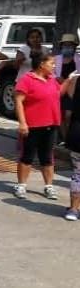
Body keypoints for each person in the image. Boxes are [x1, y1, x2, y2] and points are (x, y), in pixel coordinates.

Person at [14, 54, 60, 201]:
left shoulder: (52, 80)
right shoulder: (27, 79)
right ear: (41, 64)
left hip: (51, 124)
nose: (54, 66)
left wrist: (72, 80)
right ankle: (21, 185)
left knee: (47, 157)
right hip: (32, 125)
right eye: (52, 63)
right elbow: (18, 101)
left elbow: (59, 93)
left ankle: (49, 186)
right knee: (27, 156)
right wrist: (22, 123)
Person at [60, 72, 80, 220]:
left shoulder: (76, 80)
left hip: (77, 133)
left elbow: (67, 113)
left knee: (78, 175)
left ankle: (73, 209)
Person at [55, 33, 80, 143]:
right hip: (58, 90)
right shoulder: (56, 59)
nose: (68, 48)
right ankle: (65, 139)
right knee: (60, 116)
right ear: (61, 47)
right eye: (65, 45)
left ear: (74, 47)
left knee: (69, 115)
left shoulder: (78, 59)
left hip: (73, 91)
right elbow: (52, 74)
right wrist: (59, 79)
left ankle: (70, 138)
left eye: (70, 45)